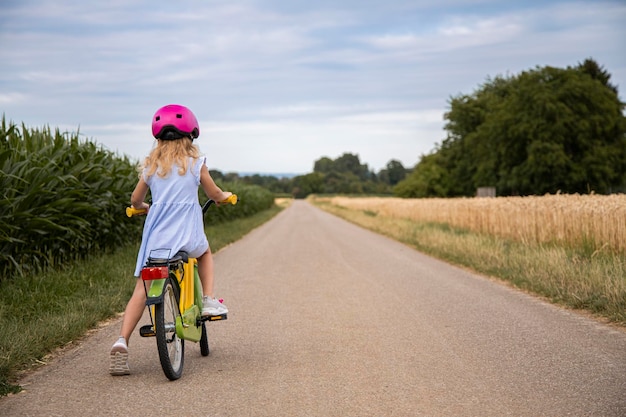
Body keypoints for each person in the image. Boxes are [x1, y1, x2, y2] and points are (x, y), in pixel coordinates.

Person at [110, 104, 231, 376]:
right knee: (204, 254)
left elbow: (134, 199)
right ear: (190, 137)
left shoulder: (152, 168)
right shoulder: (195, 165)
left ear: (158, 140)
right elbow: (214, 193)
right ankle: (209, 299)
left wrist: (143, 207)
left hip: (158, 240)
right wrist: (224, 197)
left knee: (142, 289)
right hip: (188, 236)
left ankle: (121, 341)